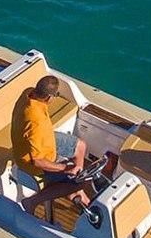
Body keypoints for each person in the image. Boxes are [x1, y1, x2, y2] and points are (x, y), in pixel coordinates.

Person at [12, 75, 92, 218]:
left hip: (46, 138)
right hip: (34, 160)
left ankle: (74, 183)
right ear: (49, 98)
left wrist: (74, 170)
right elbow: (37, 160)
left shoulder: (28, 93)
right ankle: (32, 201)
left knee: (80, 146)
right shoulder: (35, 121)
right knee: (77, 183)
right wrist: (65, 168)